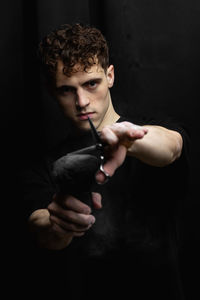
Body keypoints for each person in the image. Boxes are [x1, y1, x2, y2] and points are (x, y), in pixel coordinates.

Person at [21, 23, 189, 299]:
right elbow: (41, 228)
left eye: (91, 83)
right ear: (52, 91)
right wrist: (58, 222)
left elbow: (171, 147)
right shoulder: (42, 166)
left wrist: (129, 140)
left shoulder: (152, 127)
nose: (81, 101)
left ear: (109, 76)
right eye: (66, 90)